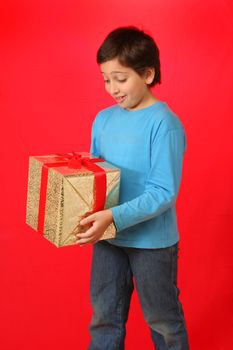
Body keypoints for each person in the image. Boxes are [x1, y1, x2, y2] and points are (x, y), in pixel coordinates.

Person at [76, 26, 190, 350]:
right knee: (104, 318)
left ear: (148, 73)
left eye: (120, 78)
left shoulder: (164, 124)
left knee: (163, 320)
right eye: (105, 79)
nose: (112, 88)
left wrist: (111, 216)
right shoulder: (103, 119)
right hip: (108, 238)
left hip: (152, 244)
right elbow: (95, 176)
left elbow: (163, 192)